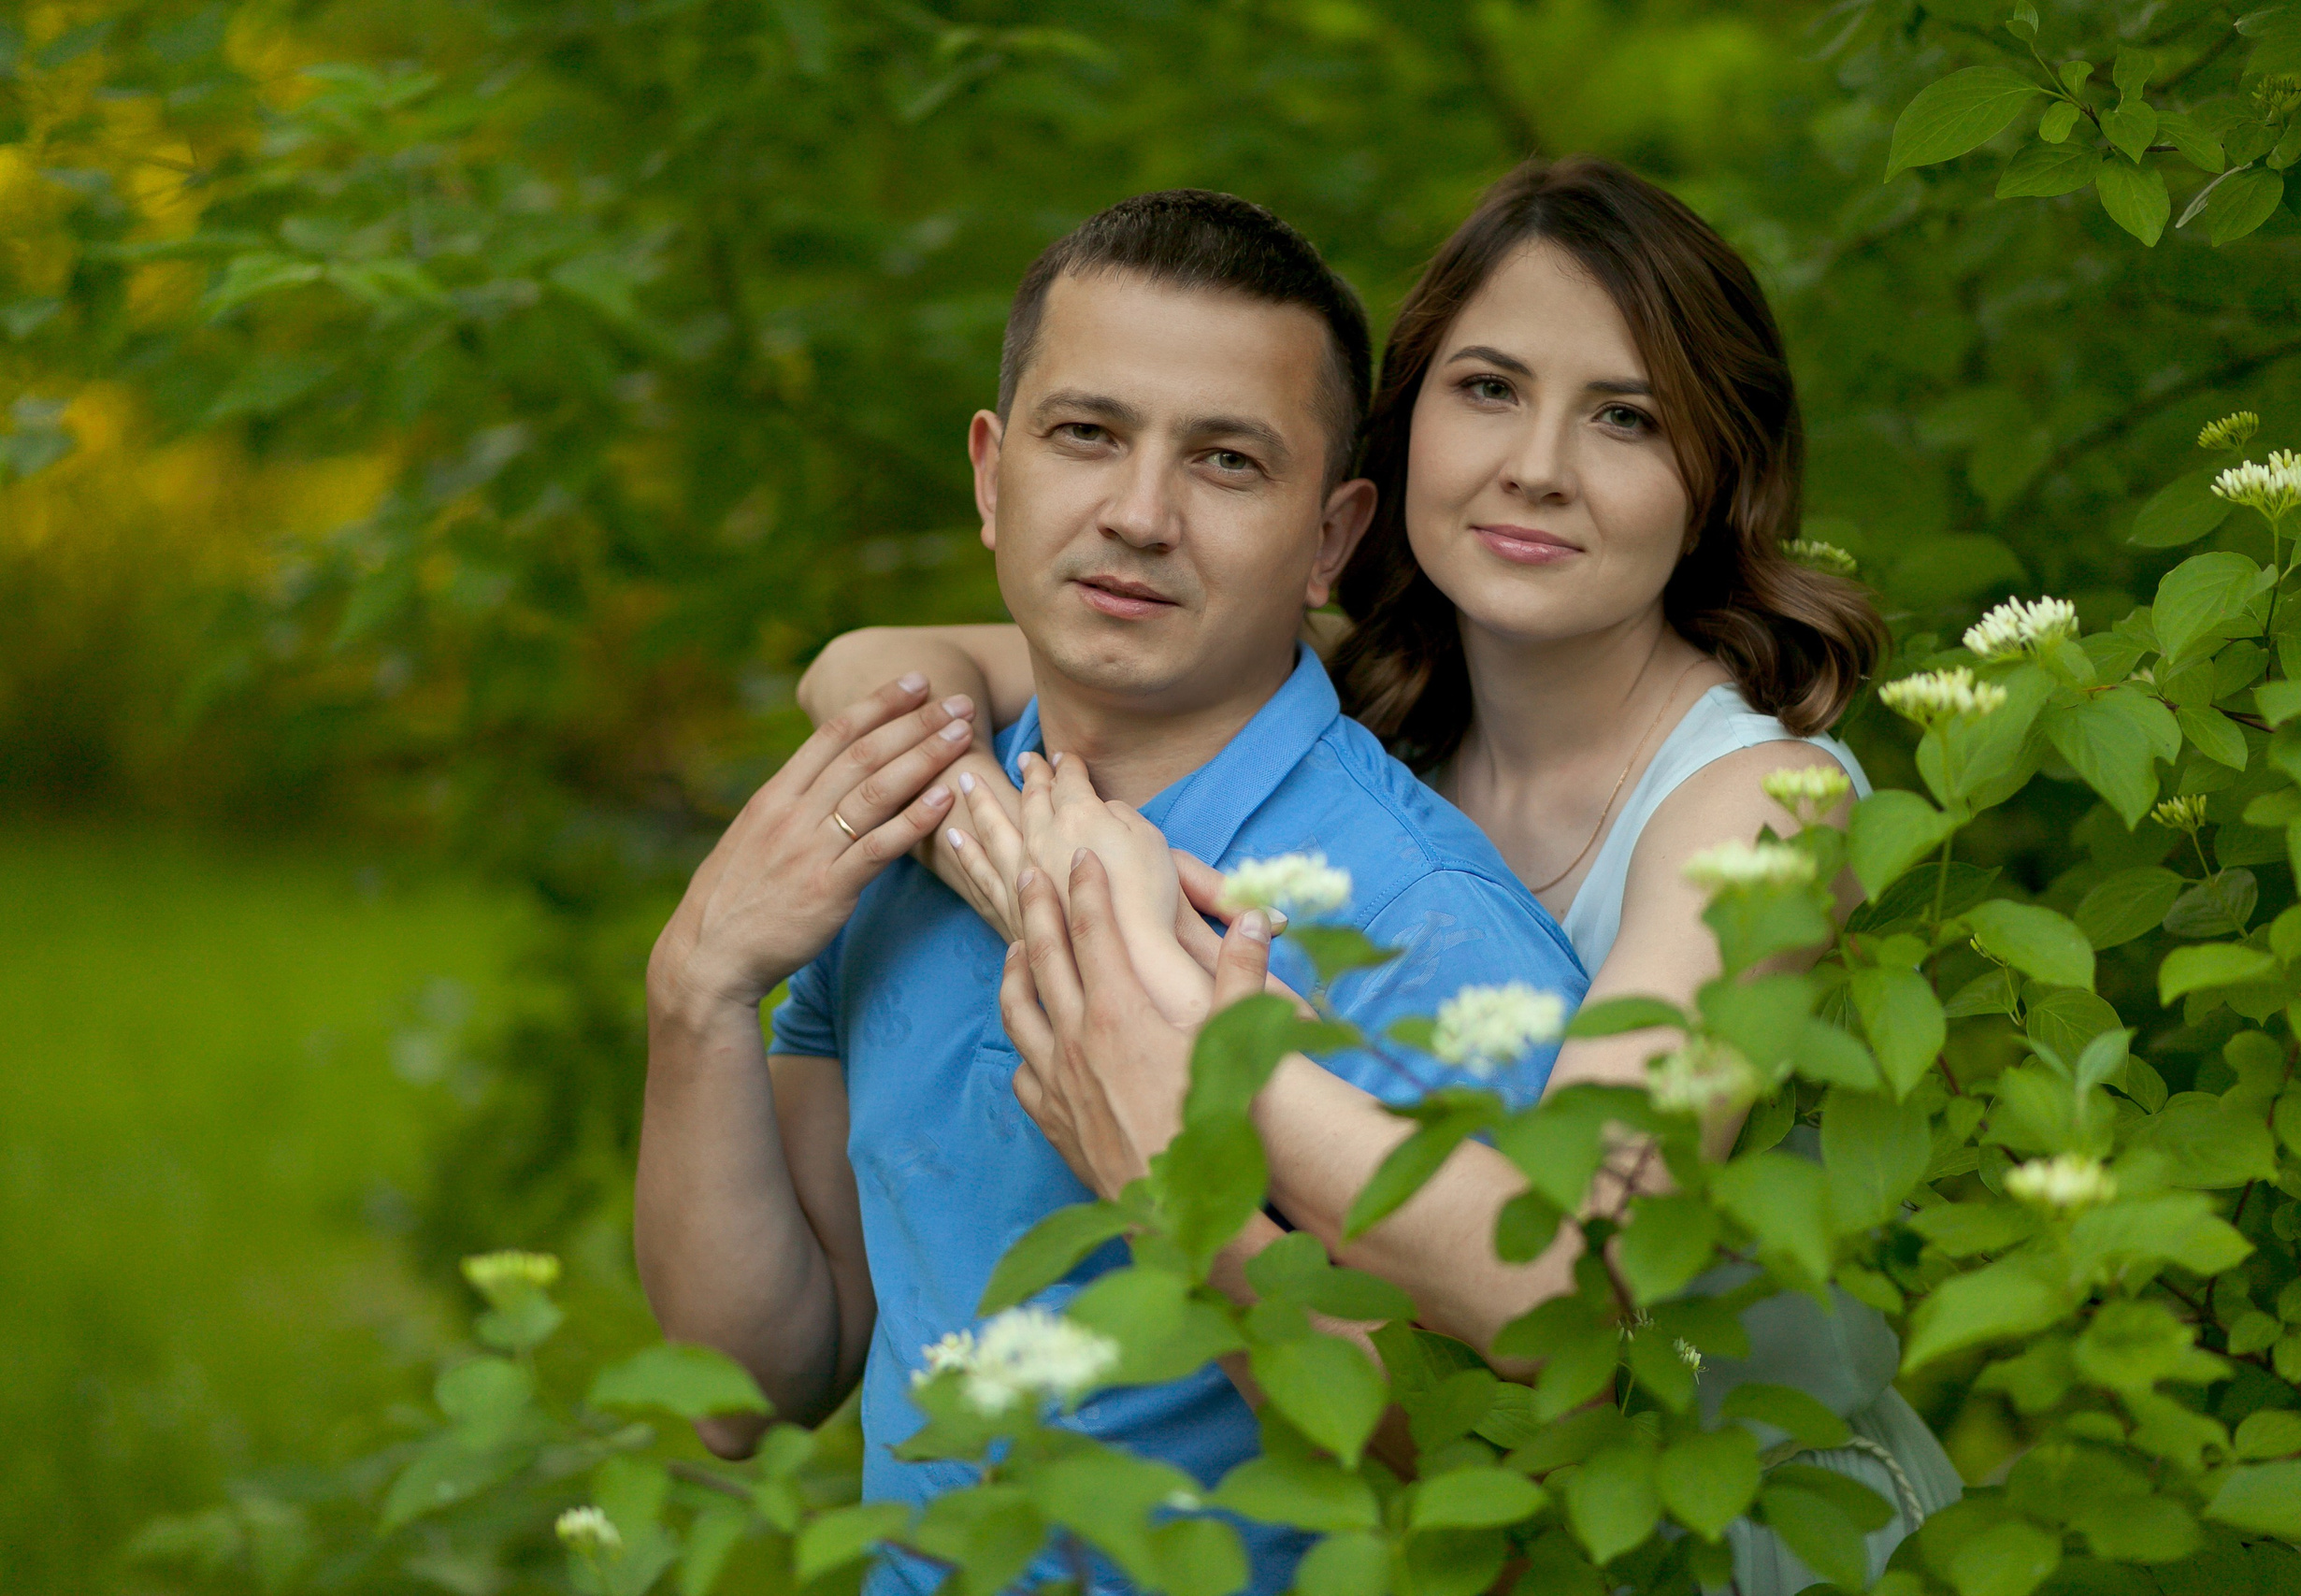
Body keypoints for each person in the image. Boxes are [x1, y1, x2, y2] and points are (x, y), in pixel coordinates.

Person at [799, 157, 1963, 1594]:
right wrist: (1035, 875)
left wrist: (1183, 1044)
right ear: (1398, 445)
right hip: (1484, 1512)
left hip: (1741, 1528)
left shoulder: (1761, 806)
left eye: (1627, 416)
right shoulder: (1387, 704)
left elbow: (1567, 1279)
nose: (1537, 465)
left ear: (1720, 472)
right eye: (1488, 389)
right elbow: (873, 667)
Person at [639, 189, 1588, 1596]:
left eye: (1227, 462)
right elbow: (751, 1388)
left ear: (1332, 540)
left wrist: (1180, 1186)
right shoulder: (911, 825)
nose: (1139, 516)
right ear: (991, 474)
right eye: (1086, 433)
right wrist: (697, 993)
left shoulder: (1418, 927)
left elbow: (1521, 1513)